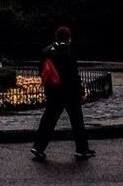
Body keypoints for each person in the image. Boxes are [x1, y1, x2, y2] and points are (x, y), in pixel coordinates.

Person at [31, 25, 94, 161]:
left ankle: (38, 146)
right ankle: (81, 148)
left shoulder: (47, 51)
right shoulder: (68, 51)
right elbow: (73, 75)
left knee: (48, 120)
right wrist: (80, 91)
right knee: (77, 120)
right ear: (69, 37)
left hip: (52, 91)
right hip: (69, 92)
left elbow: (41, 71)